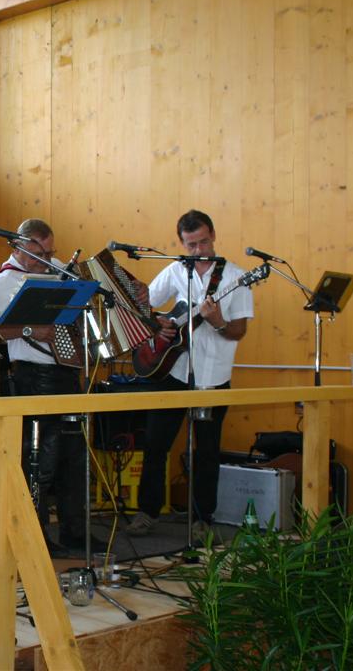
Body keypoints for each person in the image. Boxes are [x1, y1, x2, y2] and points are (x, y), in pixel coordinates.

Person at [126, 209, 253, 538]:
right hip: (174, 371)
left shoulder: (236, 278)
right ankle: (146, 512)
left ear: (213, 235)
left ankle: (202, 519)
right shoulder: (175, 271)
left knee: (207, 451)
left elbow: (238, 330)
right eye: (191, 245)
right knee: (156, 444)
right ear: (181, 243)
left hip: (215, 376)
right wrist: (161, 325)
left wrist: (218, 321)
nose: (199, 250)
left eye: (204, 242)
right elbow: (146, 306)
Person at [0, 219, 106, 557]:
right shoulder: (3, 282)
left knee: (74, 456)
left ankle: (75, 530)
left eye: (50, 252)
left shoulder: (57, 270)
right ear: (20, 248)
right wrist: (32, 331)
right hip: (31, 375)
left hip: (66, 372)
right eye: (40, 253)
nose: (48, 259)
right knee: (41, 461)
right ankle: (35, 532)